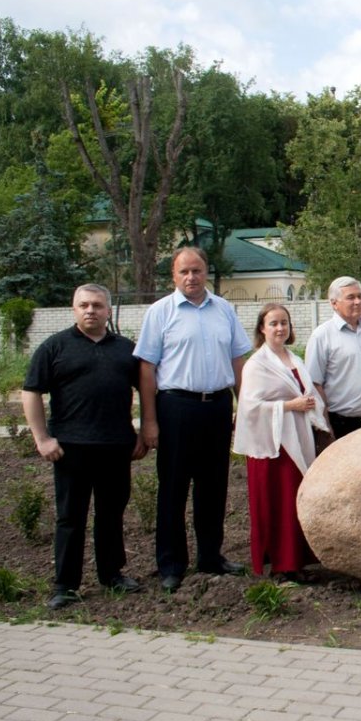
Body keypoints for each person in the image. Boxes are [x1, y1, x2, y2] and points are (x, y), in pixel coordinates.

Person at [22, 284, 147, 609]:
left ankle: (112, 575)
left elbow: (148, 388)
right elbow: (31, 391)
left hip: (116, 447)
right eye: (84, 305)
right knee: (70, 517)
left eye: (97, 305)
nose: (90, 310)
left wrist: (144, 430)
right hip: (70, 448)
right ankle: (66, 584)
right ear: (74, 309)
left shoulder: (126, 350)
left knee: (111, 514)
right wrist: (42, 438)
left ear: (108, 310)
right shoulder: (55, 347)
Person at [136, 248, 253, 592]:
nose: (191, 277)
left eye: (197, 271)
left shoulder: (224, 310)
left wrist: (242, 409)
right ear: (173, 275)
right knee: (173, 489)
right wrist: (149, 421)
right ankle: (171, 564)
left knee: (213, 487)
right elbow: (146, 368)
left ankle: (210, 556)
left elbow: (237, 361)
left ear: (206, 272)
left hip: (216, 407)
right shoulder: (160, 313)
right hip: (176, 408)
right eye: (184, 271)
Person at [232, 303, 329, 581]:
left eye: (284, 323)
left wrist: (309, 405)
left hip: (298, 435)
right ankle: (282, 564)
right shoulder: (257, 364)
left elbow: (307, 392)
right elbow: (250, 407)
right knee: (280, 500)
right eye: (273, 323)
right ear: (262, 328)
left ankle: (298, 559)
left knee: (297, 499)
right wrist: (289, 406)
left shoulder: (294, 358)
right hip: (273, 444)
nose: (279, 328)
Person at [305, 276, 361, 439]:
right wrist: (325, 425)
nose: (358, 301)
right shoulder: (321, 336)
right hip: (344, 425)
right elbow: (314, 384)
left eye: (360, 296)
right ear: (334, 303)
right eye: (351, 297)